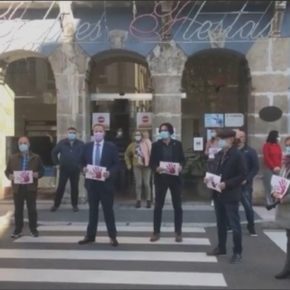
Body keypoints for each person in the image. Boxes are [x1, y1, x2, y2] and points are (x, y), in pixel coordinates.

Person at [206, 129, 246, 264]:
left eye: (220, 139)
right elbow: (214, 170)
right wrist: (208, 178)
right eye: (218, 139)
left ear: (230, 139)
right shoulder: (220, 154)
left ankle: (237, 251)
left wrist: (226, 184)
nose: (218, 142)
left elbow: (242, 175)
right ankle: (221, 247)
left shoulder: (237, 155)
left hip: (230, 194)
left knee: (234, 225)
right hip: (218, 193)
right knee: (220, 223)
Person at [78, 124, 120, 247]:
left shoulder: (110, 147)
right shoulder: (87, 147)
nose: (98, 133)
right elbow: (80, 162)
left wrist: (109, 173)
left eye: (100, 131)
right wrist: (83, 169)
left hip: (106, 184)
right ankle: (90, 236)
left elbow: (117, 164)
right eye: (96, 131)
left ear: (104, 133)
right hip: (91, 184)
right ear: (93, 132)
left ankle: (112, 236)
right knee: (92, 211)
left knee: (108, 211)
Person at [149, 122, 185, 243]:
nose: (162, 132)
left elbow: (183, 160)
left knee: (177, 206)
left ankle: (178, 232)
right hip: (161, 179)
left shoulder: (177, 145)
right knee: (158, 206)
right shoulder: (156, 145)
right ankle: (156, 232)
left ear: (170, 132)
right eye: (161, 130)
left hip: (175, 179)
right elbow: (151, 162)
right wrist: (156, 168)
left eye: (165, 130)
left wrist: (181, 167)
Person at [5, 136, 44, 238]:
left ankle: (33, 230)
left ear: (29, 144)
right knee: (18, 210)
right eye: (21, 143)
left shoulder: (36, 157)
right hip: (18, 188)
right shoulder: (13, 158)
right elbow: (7, 171)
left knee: (32, 210)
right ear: (18, 145)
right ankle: (18, 230)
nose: (23, 145)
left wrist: (37, 174)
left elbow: (42, 171)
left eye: (25, 143)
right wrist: (10, 176)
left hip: (31, 188)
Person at [51, 127, 84, 212]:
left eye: (73, 133)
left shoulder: (80, 144)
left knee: (75, 188)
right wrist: (57, 163)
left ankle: (75, 205)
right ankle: (56, 205)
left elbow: (85, 155)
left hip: (75, 169)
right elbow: (54, 152)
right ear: (67, 133)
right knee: (61, 187)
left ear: (76, 134)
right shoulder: (62, 143)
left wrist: (82, 166)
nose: (71, 134)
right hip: (64, 169)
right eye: (70, 132)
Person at [272, 136, 290, 279]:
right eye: (287, 146)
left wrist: (285, 198)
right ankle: (287, 268)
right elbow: (281, 183)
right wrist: (275, 192)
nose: (288, 150)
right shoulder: (286, 166)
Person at [236, 130, 259, 236]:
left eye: (241, 137)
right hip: (233, 184)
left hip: (245, 184)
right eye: (237, 136)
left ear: (244, 138)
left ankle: (251, 226)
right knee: (231, 206)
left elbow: (255, 168)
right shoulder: (232, 151)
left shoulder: (250, 151)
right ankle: (231, 225)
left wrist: (248, 179)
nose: (239, 139)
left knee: (248, 206)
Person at [125, 130, 152, 208]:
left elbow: (151, 153)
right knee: (138, 184)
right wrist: (128, 164)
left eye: (139, 135)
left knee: (146, 184)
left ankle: (148, 200)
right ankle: (138, 200)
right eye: (136, 135)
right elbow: (126, 154)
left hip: (147, 166)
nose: (138, 136)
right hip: (136, 166)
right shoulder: (132, 145)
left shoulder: (146, 143)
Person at [262, 130, 282, 206]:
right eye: (278, 136)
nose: (278, 137)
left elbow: (280, 156)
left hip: (277, 168)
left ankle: (275, 200)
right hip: (269, 168)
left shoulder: (277, 145)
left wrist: (279, 166)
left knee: (276, 185)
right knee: (269, 185)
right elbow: (267, 157)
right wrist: (273, 167)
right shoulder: (266, 145)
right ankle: (269, 201)